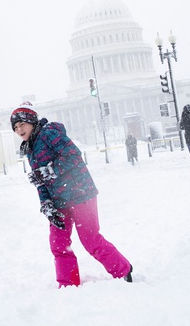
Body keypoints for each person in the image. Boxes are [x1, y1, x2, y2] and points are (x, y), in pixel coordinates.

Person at [11, 102, 133, 287]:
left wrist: (49, 171)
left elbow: (73, 156)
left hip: (80, 193)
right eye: (16, 127)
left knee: (90, 240)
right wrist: (47, 205)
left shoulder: (49, 134)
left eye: (22, 125)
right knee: (58, 243)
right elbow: (40, 181)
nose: (19, 130)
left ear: (32, 122)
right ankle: (68, 284)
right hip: (58, 201)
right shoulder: (29, 149)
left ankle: (123, 269)